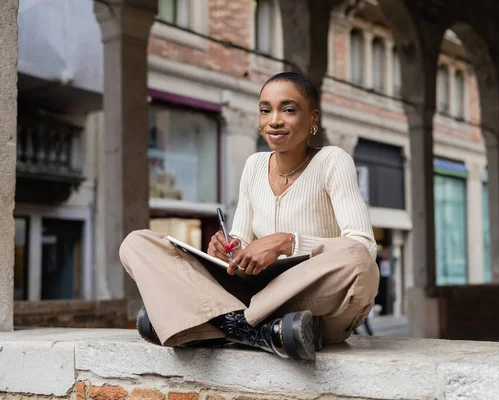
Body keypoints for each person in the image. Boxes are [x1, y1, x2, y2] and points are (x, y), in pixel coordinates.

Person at [119, 72, 379, 361]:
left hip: (311, 300)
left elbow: (364, 248)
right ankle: (254, 332)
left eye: (289, 110)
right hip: (259, 301)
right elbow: (240, 240)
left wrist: (286, 243)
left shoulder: (332, 160)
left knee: (356, 259)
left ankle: (206, 322)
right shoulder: (254, 165)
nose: (274, 120)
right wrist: (228, 251)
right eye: (265, 110)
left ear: (312, 118)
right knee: (136, 243)